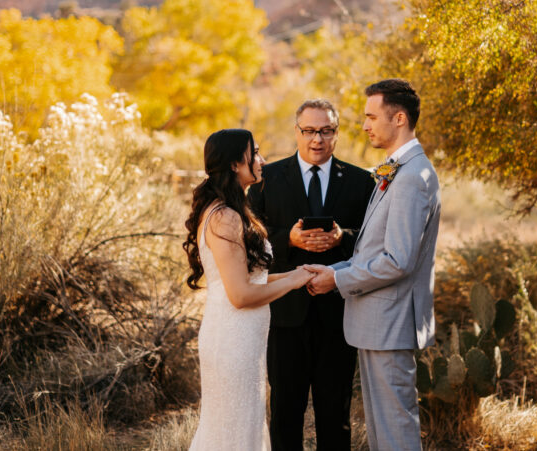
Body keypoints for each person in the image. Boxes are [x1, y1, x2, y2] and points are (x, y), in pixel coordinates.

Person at [305, 80, 441, 451]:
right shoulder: (399, 169)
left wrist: (337, 280)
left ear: (399, 119)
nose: (364, 125)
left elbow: (398, 260)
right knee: (383, 433)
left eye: (371, 117)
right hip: (377, 323)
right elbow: (374, 249)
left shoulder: (412, 177)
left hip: (390, 323)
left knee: (395, 431)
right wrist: (335, 271)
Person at [247, 100, 375, 451]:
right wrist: (287, 239)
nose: (317, 139)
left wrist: (342, 237)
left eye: (326, 131)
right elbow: (249, 241)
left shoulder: (362, 181)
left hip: (339, 314)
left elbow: (374, 240)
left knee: (335, 414)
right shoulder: (266, 179)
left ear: (336, 133)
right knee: (285, 412)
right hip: (285, 314)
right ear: (297, 132)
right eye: (309, 131)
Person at [183, 128, 315, 451]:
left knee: (244, 424)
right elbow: (241, 295)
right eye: (254, 153)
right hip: (232, 340)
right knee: (233, 429)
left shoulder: (232, 211)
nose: (262, 160)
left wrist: (296, 275)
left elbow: (252, 279)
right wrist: (294, 282)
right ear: (233, 164)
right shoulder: (224, 218)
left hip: (243, 338)